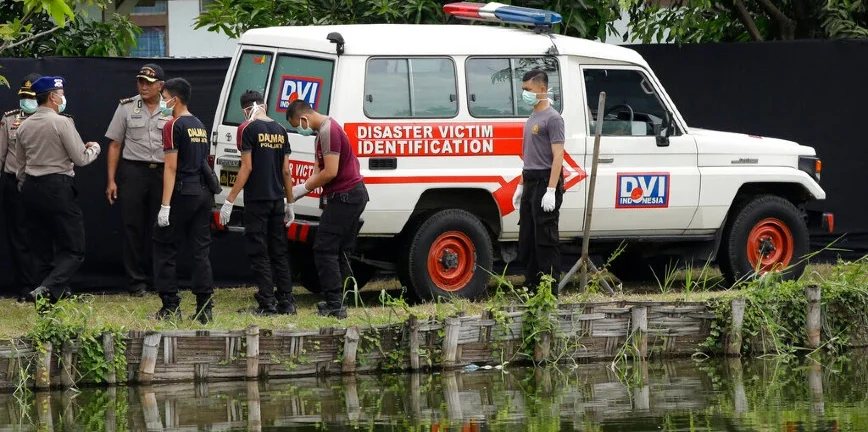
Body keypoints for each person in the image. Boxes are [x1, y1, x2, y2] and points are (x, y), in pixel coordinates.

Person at [15, 76, 101, 303]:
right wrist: (95, 148)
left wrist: (26, 187)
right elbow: (80, 158)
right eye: (60, 93)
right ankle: (47, 288)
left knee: (42, 249)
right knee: (74, 249)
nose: (63, 97)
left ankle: (46, 304)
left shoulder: (24, 126)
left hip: (32, 188)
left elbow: (20, 168)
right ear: (53, 97)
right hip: (57, 187)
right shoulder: (61, 122)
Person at [286, 99, 368, 319]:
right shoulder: (321, 132)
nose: (298, 129)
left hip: (347, 195)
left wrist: (298, 189)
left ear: (304, 118)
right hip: (348, 195)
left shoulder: (328, 131)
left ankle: (335, 304)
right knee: (339, 251)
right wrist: (294, 197)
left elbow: (330, 172)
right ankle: (338, 301)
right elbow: (317, 171)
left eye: (296, 125)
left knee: (324, 248)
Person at [220, 90, 297, 316]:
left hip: (257, 200)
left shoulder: (249, 129)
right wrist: (290, 202)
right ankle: (287, 301)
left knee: (258, 251)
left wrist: (229, 200)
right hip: (276, 199)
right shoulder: (281, 130)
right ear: (264, 105)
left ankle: (267, 303)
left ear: (247, 109)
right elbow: (286, 170)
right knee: (279, 251)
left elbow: (247, 167)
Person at [104, 63, 170, 297]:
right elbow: (114, 144)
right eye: (140, 81)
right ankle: (136, 282)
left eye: (148, 83)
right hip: (133, 172)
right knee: (132, 226)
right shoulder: (126, 107)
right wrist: (111, 180)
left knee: (161, 226)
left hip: (164, 173)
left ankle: (160, 280)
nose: (143, 86)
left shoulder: (171, 107)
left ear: (160, 86)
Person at [152, 77, 215, 323]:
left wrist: (165, 206)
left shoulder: (173, 125)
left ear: (174, 99)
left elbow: (170, 167)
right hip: (203, 194)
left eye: (164, 97)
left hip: (182, 192)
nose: (162, 101)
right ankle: (204, 308)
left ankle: (170, 306)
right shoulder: (198, 123)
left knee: (164, 245)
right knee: (200, 250)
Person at [511, 69, 565, 295]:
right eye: (523, 89)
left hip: (545, 180)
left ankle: (548, 291)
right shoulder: (532, 118)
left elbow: (558, 156)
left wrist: (551, 190)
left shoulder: (553, 118)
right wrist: (521, 185)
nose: (524, 93)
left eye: (528, 90)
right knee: (528, 238)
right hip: (531, 179)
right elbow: (528, 155)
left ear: (542, 89)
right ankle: (532, 287)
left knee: (545, 239)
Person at [0, 73, 41, 302]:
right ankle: (26, 288)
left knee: (47, 235)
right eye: (24, 96)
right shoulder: (9, 119)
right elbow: (1, 153)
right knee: (19, 237)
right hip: (14, 183)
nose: (28, 101)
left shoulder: (56, 119)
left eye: (32, 96)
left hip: (42, 183)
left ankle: (49, 285)